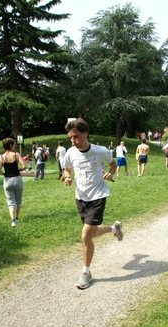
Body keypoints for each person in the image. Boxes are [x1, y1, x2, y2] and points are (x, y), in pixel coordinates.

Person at [64, 118, 123, 290]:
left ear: (85, 134)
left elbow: (112, 165)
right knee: (91, 232)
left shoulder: (101, 151)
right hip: (80, 197)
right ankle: (114, 229)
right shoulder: (70, 152)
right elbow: (67, 168)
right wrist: (67, 176)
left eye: (76, 137)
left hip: (97, 196)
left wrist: (111, 174)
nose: (73, 141)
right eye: (70, 138)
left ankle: (86, 273)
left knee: (85, 235)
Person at [0, 137, 25, 227]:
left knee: (11, 202)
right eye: (13, 144)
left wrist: (5, 173)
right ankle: (16, 217)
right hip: (17, 179)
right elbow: (24, 166)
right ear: (11, 145)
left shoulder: (1, 157)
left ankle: (13, 221)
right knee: (18, 201)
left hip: (7, 181)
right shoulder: (16, 154)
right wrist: (19, 170)